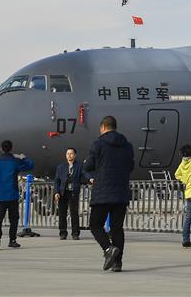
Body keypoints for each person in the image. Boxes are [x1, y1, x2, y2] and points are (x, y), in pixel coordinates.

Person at [84, 116, 134, 272]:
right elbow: (130, 166)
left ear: (103, 127)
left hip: (103, 192)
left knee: (95, 224)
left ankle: (107, 248)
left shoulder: (98, 144)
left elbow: (89, 166)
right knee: (117, 228)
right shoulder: (127, 146)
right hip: (121, 192)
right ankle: (117, 263)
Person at [0, 140, 34, 251]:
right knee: (13, 219)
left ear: (1, 149)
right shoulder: (15, 162)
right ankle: (12, 240)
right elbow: (30, 165)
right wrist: (22, 157)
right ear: (11, 148)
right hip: (12, 195)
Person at [54, 148, 92, 240]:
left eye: (71, 153)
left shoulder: (79, 166)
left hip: (73, 193)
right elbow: (57, 181)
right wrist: (56, 192)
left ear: (75, 155)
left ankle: (75, 233)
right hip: (63, 193)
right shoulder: (61, 167)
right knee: (62, 214)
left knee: (74, 213)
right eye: (67, 153)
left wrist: (90, 178)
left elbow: (85, 173)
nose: (69, 155)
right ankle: (63, 233)